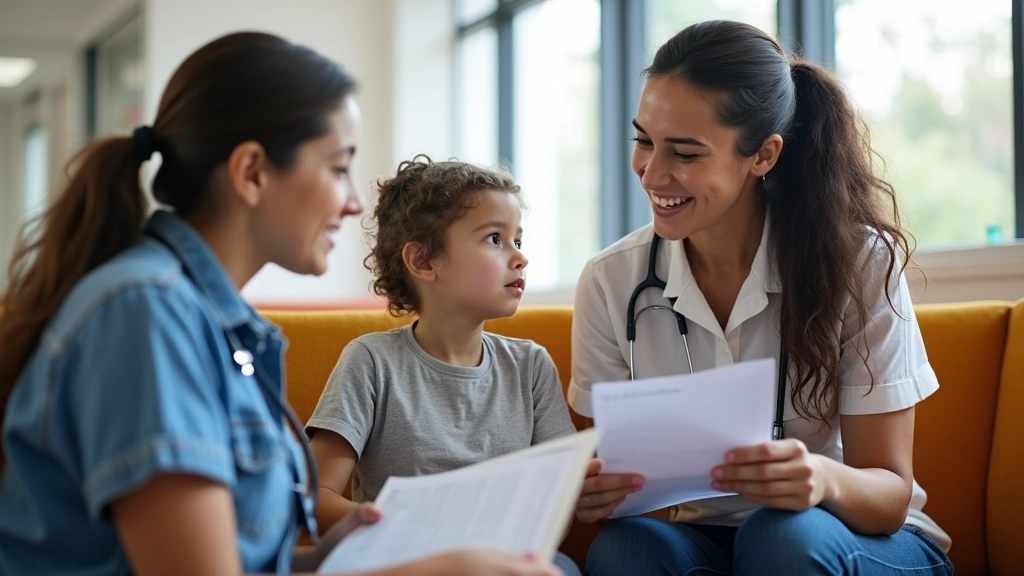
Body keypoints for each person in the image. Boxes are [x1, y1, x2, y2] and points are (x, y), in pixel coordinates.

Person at [0, 32, 560, 576]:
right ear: (252, 172)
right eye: (338, 168)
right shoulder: (147, 317)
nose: (353, 203)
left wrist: (384, 556)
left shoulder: (205, 321)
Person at [568, 20, 953, 576]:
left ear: (763, 156)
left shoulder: (860, 263)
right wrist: (594, 496)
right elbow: (617, 493)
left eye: (685, 153)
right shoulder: (611, 281)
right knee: (624, 548)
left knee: (781, 539)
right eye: (644, 140)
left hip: (846, 536)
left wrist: (819, 477)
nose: (651, 173)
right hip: (697, 541)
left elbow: (889, 497)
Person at [306, 156, 581, 576]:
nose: (519, 258)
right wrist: (399, 533)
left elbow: (557, 494)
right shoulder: (371, 361)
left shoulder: (530, 366)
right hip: (403, 560)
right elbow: (317, 494)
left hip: (504, 561)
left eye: (518, 241)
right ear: (423, 261)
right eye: (494, 238)